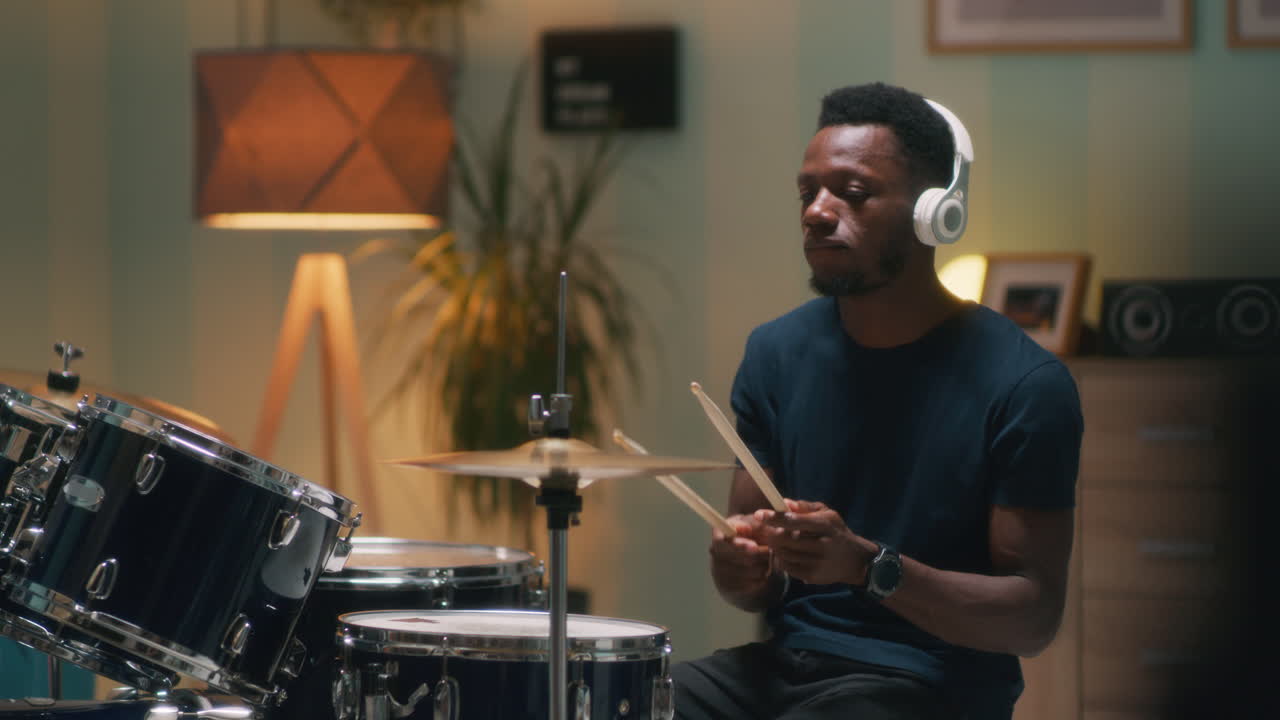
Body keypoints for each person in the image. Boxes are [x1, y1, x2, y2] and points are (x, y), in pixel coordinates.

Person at [671, 82, 1082, 720]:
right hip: (787, 667)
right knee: (622, 699)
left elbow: (1032, 618)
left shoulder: (1025, 384)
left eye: (853, 193)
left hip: (933, 684)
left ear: (934, 213)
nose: (816, 212)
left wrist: (868, 566)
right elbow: (759, 584)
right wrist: (743, 571)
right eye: (808, 193)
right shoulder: (775, 353)